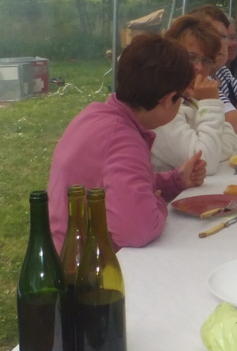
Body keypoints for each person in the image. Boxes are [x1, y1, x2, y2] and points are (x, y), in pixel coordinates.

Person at [46, 35, 207, 250]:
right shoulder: (123, 140)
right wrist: (157, 203)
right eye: (183, 99)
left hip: (65, 249)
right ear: (168, 100)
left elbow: (120, 185)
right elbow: (138, 231)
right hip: (82, 264)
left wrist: (175, 181)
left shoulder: (95, 114)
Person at [151, 15, 237, 173]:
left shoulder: (189, 97)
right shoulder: (159, 103)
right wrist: (210, 102)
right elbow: (205, 162)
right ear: (171, 56)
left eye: (206, 60)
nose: (199, 67)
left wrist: (211, 150)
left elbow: (232, 139)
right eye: (191, 57)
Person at [193, 5, 237, 138]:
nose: (219, 43)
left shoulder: (222, 72)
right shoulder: (200, 76)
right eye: (212, 36)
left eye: (223, 36)